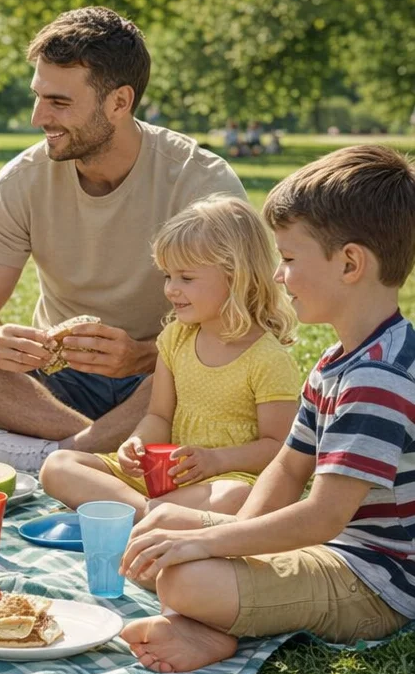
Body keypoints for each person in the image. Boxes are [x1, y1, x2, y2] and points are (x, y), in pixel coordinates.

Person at [0, 7, 246, 472]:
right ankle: (95, 448)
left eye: (59, 103)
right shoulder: (22, 179)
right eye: (38, 96)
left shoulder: (199, 181)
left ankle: (62, 455)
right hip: (58, 381)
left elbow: (240, 316)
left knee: (205, 363)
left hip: (161, 376)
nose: (37, 117)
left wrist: (145, 355)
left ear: (119, 102)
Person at [120, 145, 415, 672]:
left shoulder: (379, 377)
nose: (278, 276)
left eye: (290, 259)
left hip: (374, 581)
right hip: (332, 551)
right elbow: (285, 469)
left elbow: (323, 517)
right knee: (159, 525)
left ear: (350, 263)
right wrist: (222, 547)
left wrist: (210, 546)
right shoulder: (336, 361)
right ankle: (203, 614)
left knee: (182, 574)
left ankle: (204, 632)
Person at [40, 196, 299, 522]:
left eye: (186, 278)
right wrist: (136, 443)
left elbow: (278, 447)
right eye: (167, 276)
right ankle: (153, 517)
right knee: (58, 465)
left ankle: (130, 514)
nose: (171, 290)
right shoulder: (176, 339)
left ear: (237, 276)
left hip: (225, 478)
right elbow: (159, 416)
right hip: (163, 477)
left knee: (236, 497)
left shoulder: (268, 359)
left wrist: (216, 461)